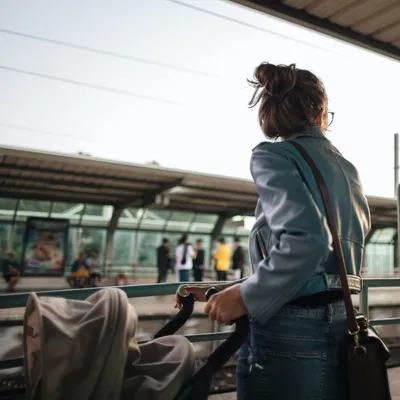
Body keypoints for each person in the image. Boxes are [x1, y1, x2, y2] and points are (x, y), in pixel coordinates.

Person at [175, 62, 370, 399]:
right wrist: (225, 288)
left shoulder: (273, 156)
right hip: (342, 322)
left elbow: (307, 242)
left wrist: (244, 296)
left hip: (289, 332)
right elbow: (322, 266)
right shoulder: (346, 167)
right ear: (320, 111)